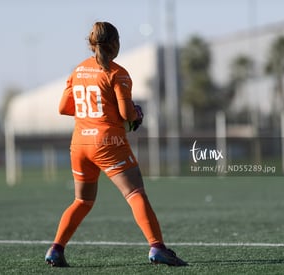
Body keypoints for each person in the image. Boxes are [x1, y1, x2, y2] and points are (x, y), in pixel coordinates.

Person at [45, 21, 187, 267]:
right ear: (114, 44)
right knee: (135, 193)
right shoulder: (117, 73)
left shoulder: (78, 71)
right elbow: (126, 113)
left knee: (82, 201)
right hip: (108, 142)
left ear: (92, 44)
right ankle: (157, 248)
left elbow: (63, 108)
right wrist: (137, 113)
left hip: (79, 144)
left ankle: (56, 249)